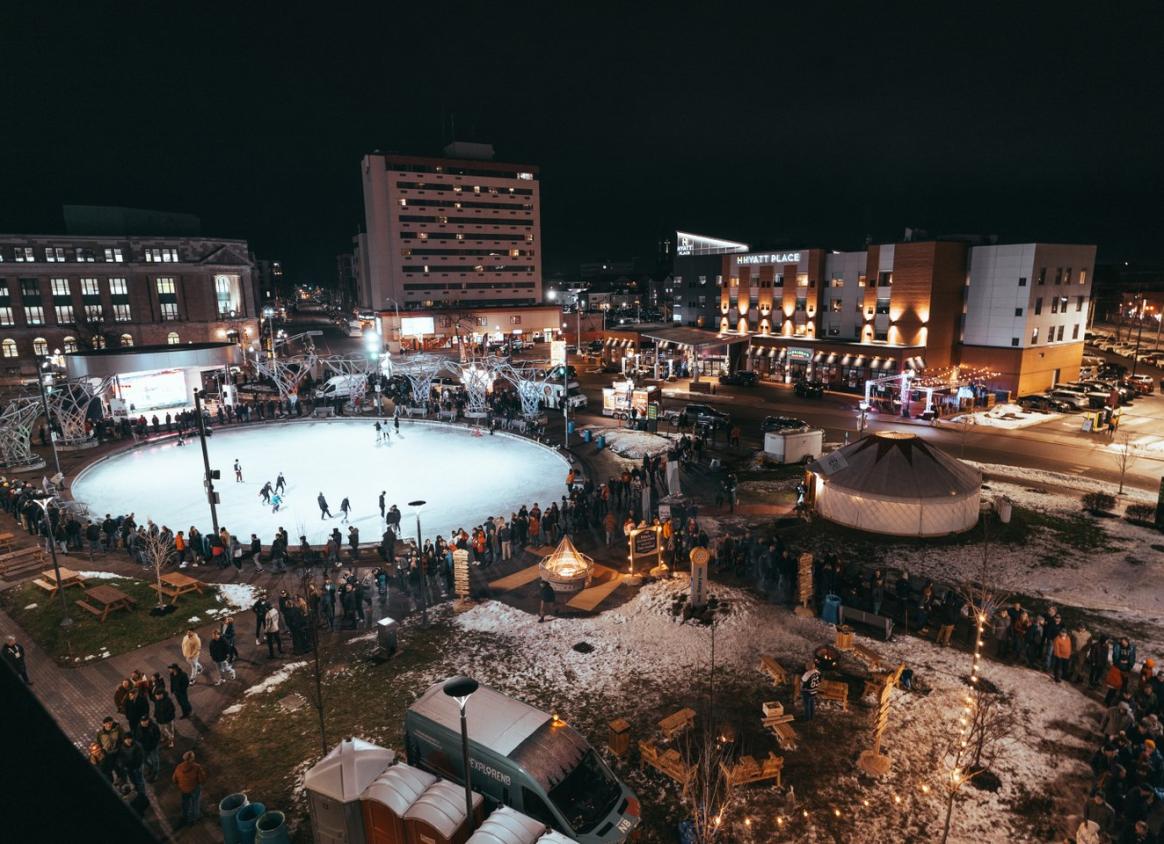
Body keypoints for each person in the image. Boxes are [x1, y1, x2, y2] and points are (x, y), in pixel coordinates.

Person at [172, 750, 208, 827]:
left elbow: (174, 779)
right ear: (193, 759)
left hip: (183, 789)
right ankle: (195, 817)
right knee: (195, 802)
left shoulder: (179, 767)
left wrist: (181, 784)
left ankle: (185, 816)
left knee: (185, 803)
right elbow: (202, 779)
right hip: (194, 788)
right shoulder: (197, 767)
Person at [134, 715, 162, 783]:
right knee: (144, 760)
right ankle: (150, 767)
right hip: (144, 748)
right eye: (143, 721)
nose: (144, 722)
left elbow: (158, 736)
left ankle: (155, 773)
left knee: (155, 761)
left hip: (153, 747)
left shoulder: (153, 727)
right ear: (140, 722)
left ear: (148, 720)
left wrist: (154, 744)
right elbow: (137, 737)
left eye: (146, 720)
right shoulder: (139, 727)